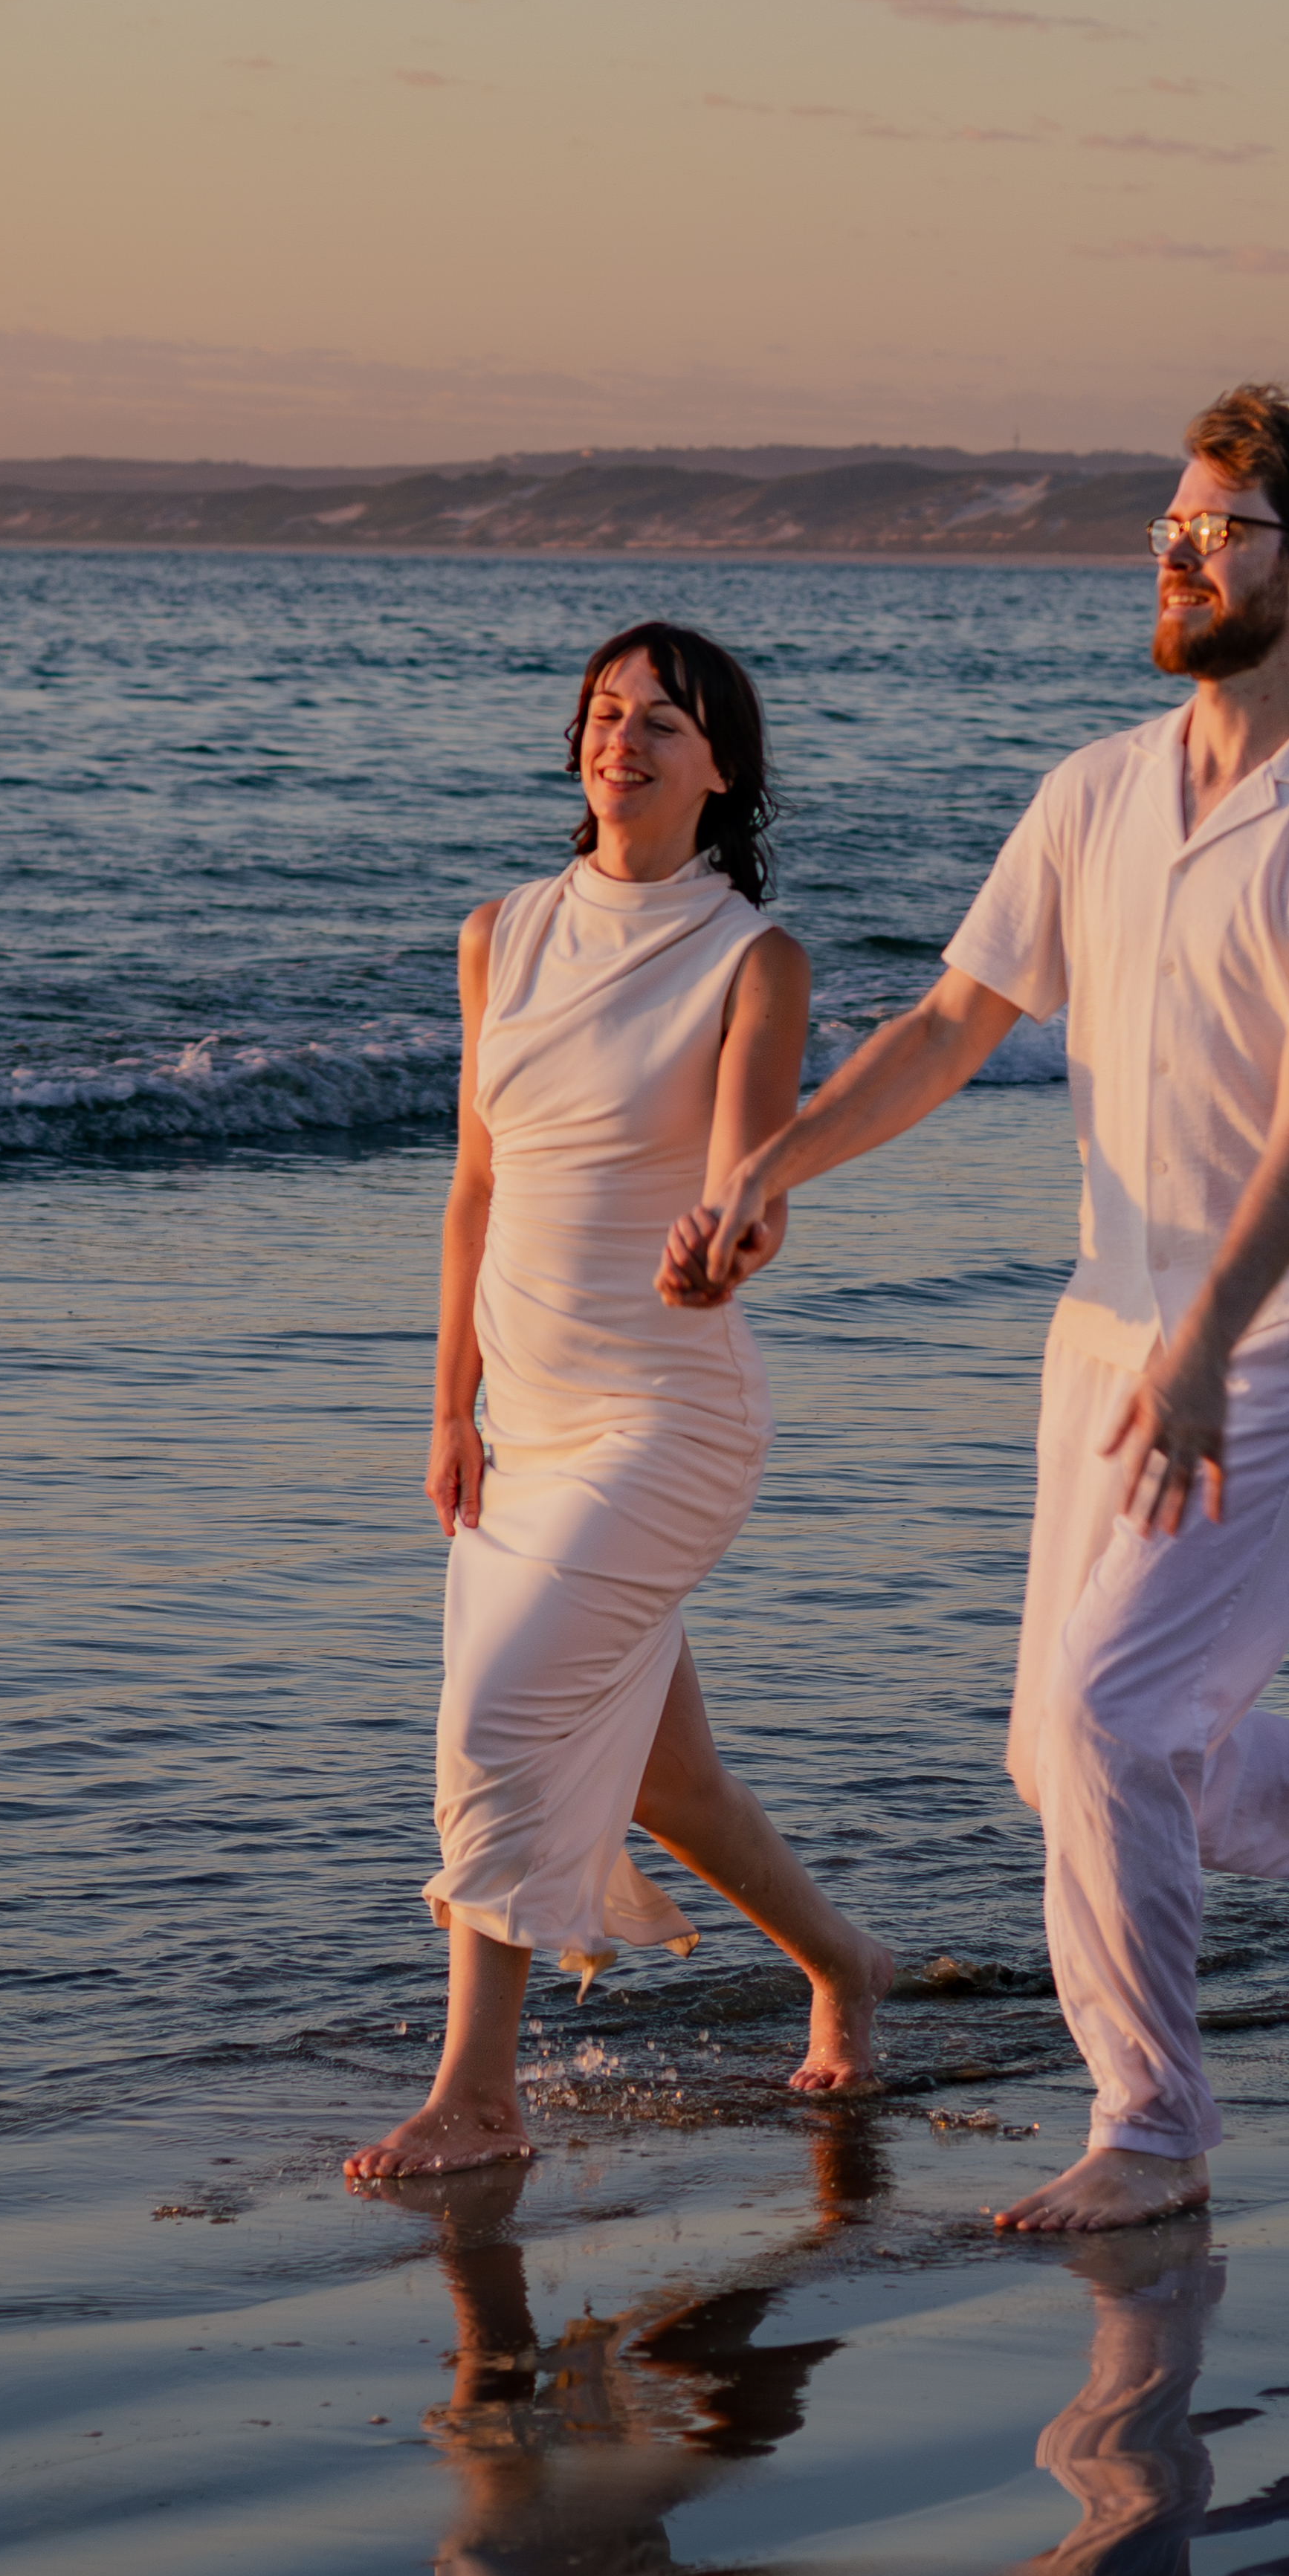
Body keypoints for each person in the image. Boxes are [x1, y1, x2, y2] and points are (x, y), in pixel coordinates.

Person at [665, 384, 1289, 2237]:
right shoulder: (1094, 788)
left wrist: (1206, 1343)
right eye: (1169, 524)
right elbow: (953, 1027)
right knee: (1077, 1758)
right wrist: (766, 1170)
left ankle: (1154, 2122)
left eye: (1219, 526)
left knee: (1115, 1725)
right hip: (1109, 1330)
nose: (1180, 549)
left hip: (1281, 1335)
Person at [348, 621, 893, 2185]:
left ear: (722, 768)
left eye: (665, 718)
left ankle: (479, 2095)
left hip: (667, 1417)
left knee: (495, 1714)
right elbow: (473, 1186)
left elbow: (747, 1172)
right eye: (605, 710)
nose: (625, 738)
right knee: (667, 1779)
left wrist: (731, 1244)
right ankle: (844, 1962)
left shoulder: (749, 958)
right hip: (522, 1420)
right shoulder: (498, 933)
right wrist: (447, 1403)